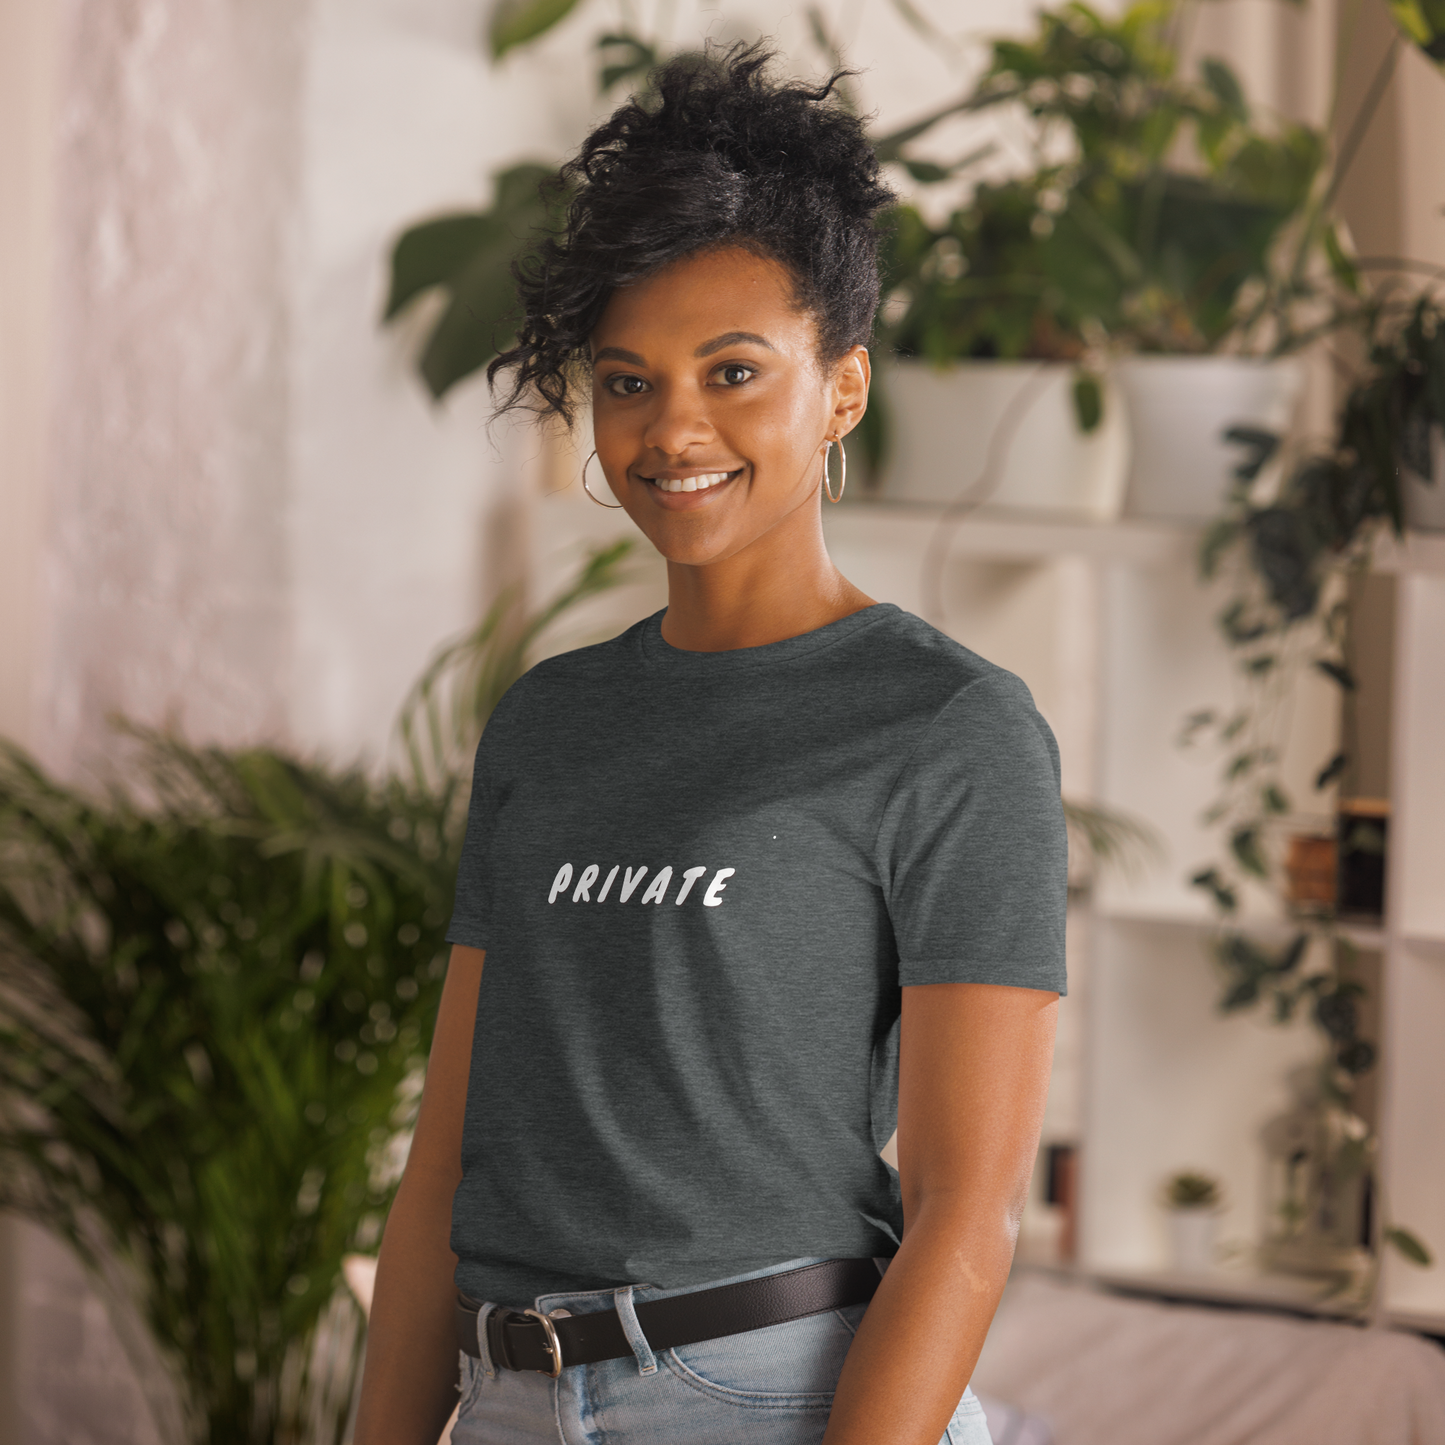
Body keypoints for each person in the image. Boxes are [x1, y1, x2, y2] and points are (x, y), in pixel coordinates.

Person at [353, 44, 1065, 1445]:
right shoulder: (549, 720)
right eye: (627, 382)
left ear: (842, 388)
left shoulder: (947, 725)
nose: (672, 429)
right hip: (506, 1399)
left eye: (733, 372)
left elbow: (967, 1211)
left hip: (771, 1395)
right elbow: (447, 1162)